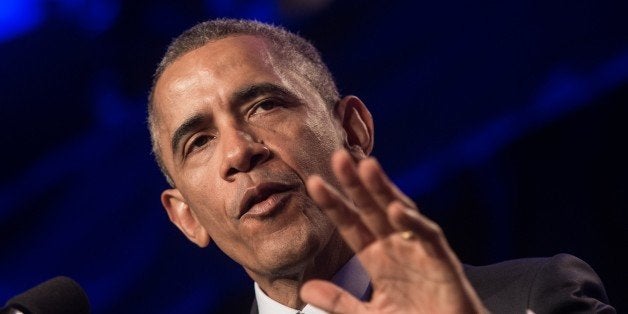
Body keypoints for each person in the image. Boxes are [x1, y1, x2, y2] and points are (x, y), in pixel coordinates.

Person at [147, 19, 615, 313]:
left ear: (352, 131)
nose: (238, 152)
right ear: (185, 217)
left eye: (264, 106)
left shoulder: (534, 298)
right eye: (199, 141)